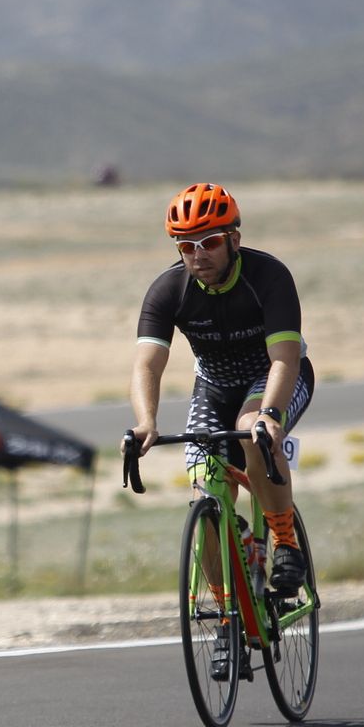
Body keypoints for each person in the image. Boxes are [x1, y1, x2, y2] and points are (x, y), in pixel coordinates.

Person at [126, 183, 316, 674]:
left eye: (208, 242)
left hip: (271, 378)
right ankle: (229, 614)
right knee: (202, 498)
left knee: (252, 429)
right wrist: (146, 422)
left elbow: (284, 359)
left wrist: (271, 416)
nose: (197, 255)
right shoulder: (169, 289)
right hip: (213, 386)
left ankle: (284, 541)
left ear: (233, 237)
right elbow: (147, 366)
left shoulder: (268, 276)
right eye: (185, 246)